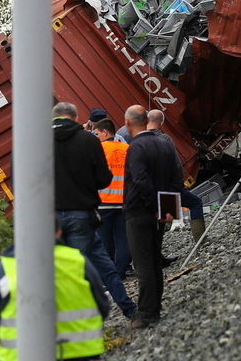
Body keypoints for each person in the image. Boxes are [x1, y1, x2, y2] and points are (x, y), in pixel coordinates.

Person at [0, 220, 111, 361]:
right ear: (58, 232)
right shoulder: (78, 262)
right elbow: (103, 308)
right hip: (81, 353)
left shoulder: (4, 270)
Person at [53, 102, 137, 318]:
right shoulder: (88, 140)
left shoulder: (35, 142)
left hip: (51, 218)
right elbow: (103, 179)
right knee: (101, 268)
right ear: (76, 117)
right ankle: (126, 312)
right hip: (83, 213)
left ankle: (128, 310)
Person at [123, 105, 183, 329]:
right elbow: (176, 177)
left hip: (140, 211)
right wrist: (169, 209)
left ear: (128, 124)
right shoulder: (164, 143)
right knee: (155, 260)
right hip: (160, 213)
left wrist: (155, 207)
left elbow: (140, 181)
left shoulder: (135, 147)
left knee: (143, 263)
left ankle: (147, 314)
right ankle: (155, 308)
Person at [146, 109, 207, 244]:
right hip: (168, 188)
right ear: (161, 122)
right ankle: (201, 241)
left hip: (149, 190)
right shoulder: (164, 139)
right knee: (195, 203)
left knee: (160, 220)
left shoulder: (138, 141)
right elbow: (175, 164)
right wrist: (180, 182)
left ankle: (154, 254)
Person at [93, 118, 131, 277]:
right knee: (124, 240)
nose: (95, 137)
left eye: (96, 133)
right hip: (124, 202)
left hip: (103, 203)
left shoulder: (98, 150)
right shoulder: (128, 148)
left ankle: (109, 275)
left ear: (105, 132)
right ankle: (121, 271)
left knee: (104, 241)